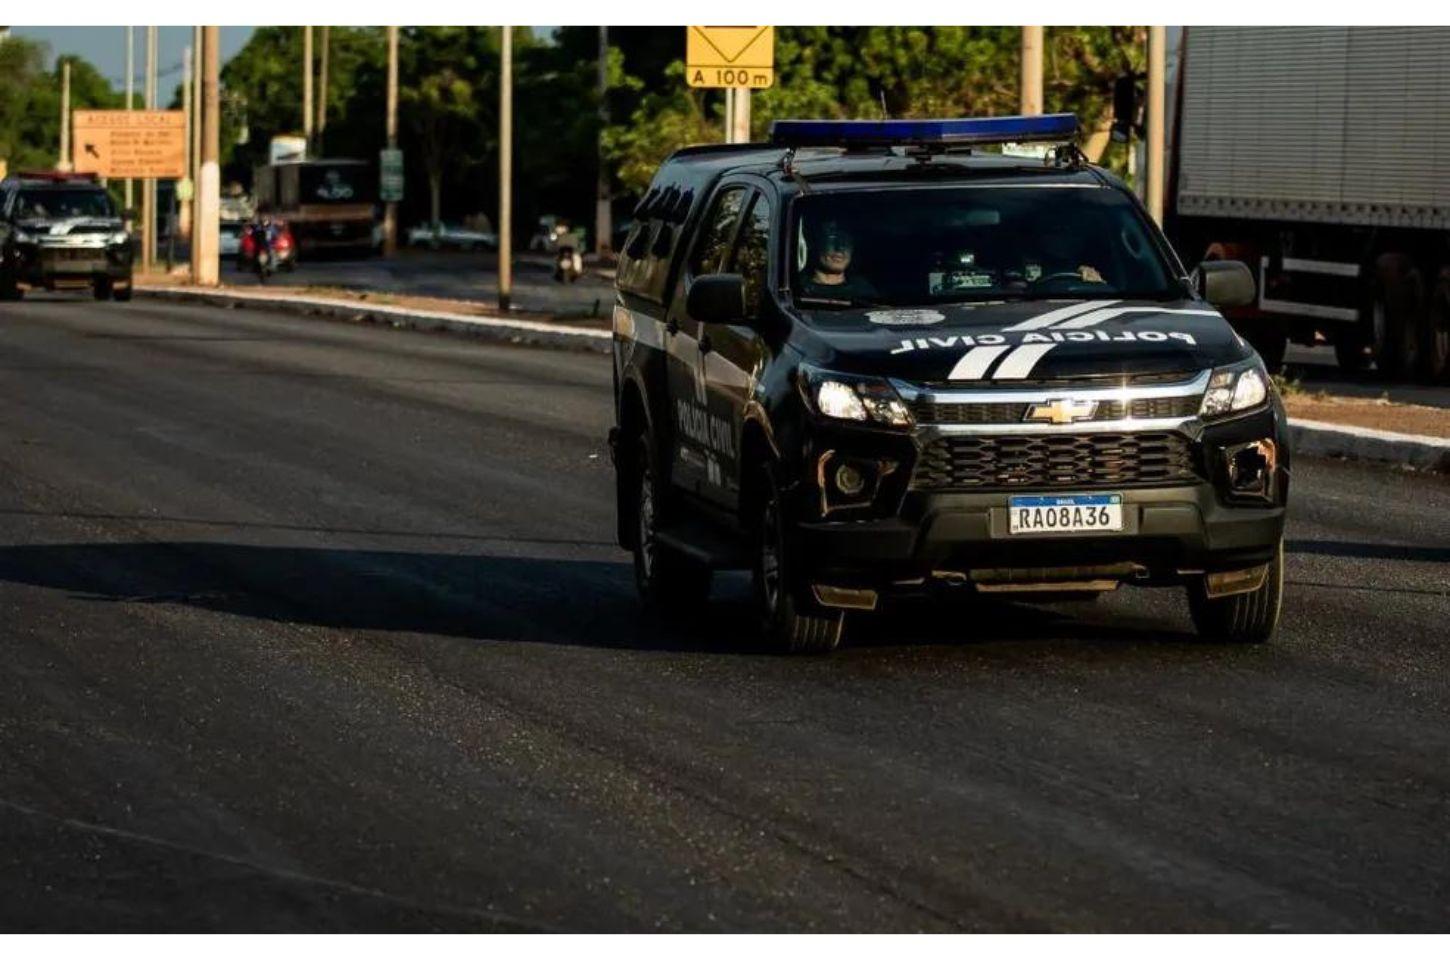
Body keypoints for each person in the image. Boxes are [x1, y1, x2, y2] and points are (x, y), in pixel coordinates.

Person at [797, 219, 879, 302]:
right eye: (832, 239)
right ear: (816, 244)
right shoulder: (798, 288)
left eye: (846, 241)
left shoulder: (863, 291)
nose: (840, 248)